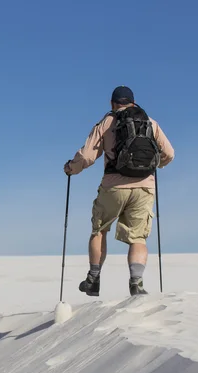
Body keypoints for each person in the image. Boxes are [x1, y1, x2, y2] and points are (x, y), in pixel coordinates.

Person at [63, 85, 174, 296]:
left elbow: (87, 156)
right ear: (133, 102)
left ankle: (93, 280)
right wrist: (153, 165)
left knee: (100, 229)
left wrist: (71, 168)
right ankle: (136, 284)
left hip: (113, 186)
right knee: (138, 237)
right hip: (144, 185)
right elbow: (169, 153)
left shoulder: (107, 122)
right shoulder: (150, 122)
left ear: (113, 104)